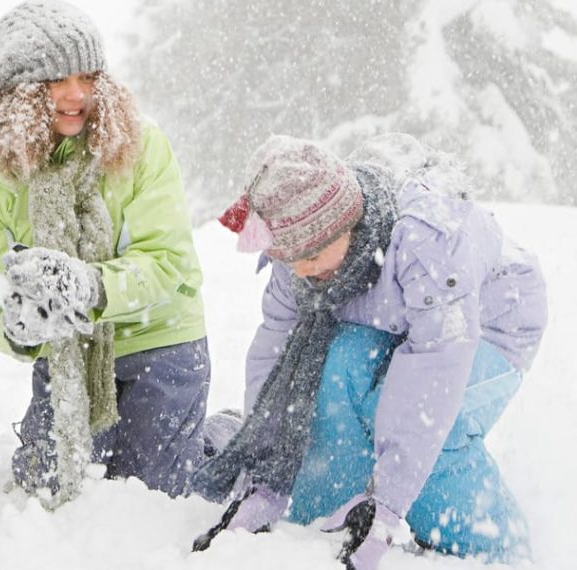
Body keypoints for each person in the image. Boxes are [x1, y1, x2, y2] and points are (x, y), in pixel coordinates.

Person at [191, 134, 547, 568]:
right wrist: (265, 477)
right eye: (290, 260)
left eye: (314, 254)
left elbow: (433, 376)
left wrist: (390, 502)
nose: (301, 270)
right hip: (390, 320)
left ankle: (488, 544)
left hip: (486, 323)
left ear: (346, 224)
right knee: (329, 371)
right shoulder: (299, 249)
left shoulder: (428, 245)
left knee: (424, 421)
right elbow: (276, 354)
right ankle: (324, 520)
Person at [0, 0, 239, 507]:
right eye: (55, 81)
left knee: (151, 500)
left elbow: (167, 261)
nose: (76, 95)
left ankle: (220, 440)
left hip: (161, 340)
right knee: (48, 494)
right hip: (66, 354)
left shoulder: (141, 145)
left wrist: (88, 287)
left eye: (87, 76)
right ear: (15, 95)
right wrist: (17, 329)